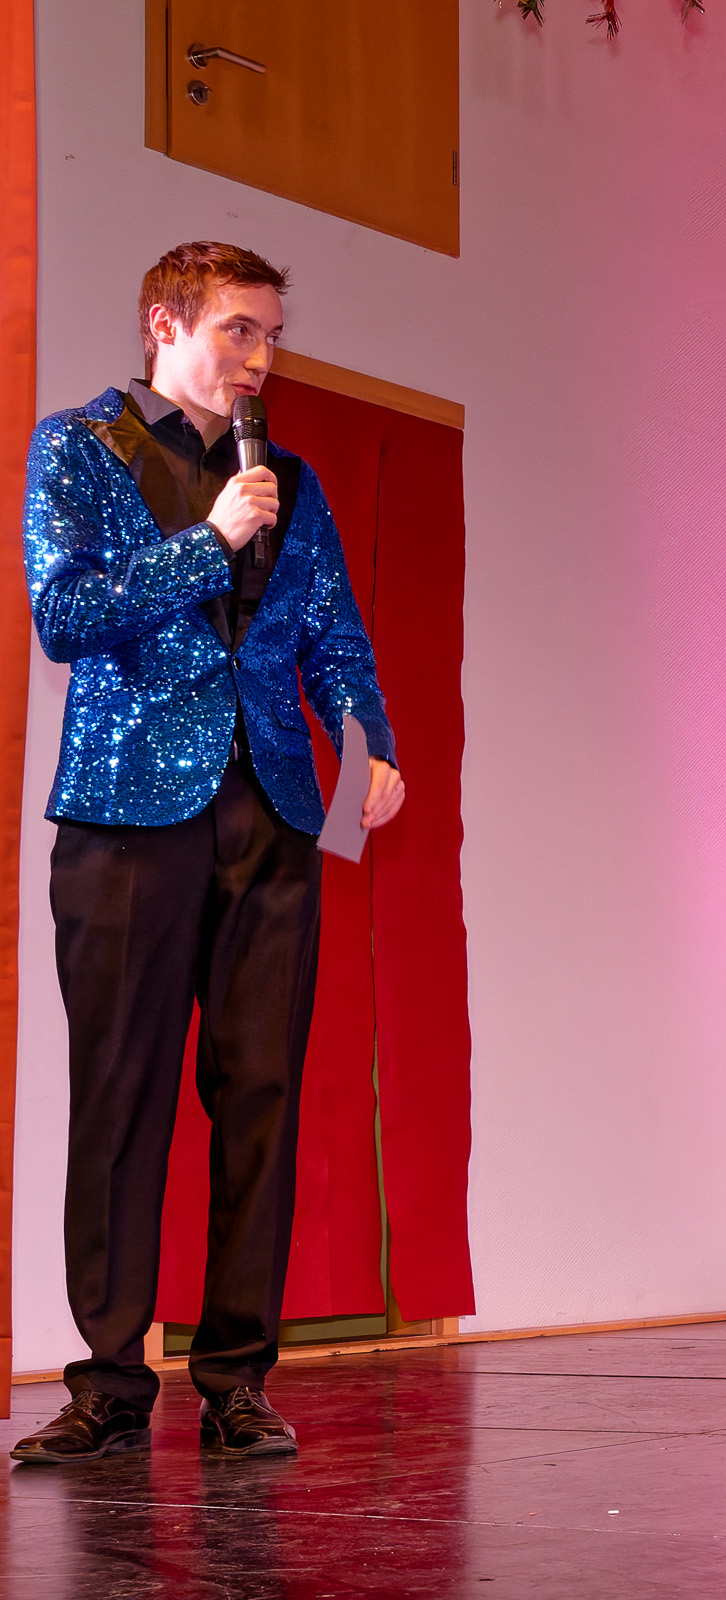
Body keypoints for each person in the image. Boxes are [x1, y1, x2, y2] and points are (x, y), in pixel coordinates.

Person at [10, 243, 406, 1464]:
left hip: (270, 814)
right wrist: (207, 540)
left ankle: (238, 1379)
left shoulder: (290, 478)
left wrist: (369, 743)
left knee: (262, 1098)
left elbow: (331, 632)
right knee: (120, 1097)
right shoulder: (79, 446)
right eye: (240, 329)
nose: (261, 358)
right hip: (126, 815)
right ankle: (109, 1386)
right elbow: (63, 614)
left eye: (272, 335)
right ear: (164, 323)